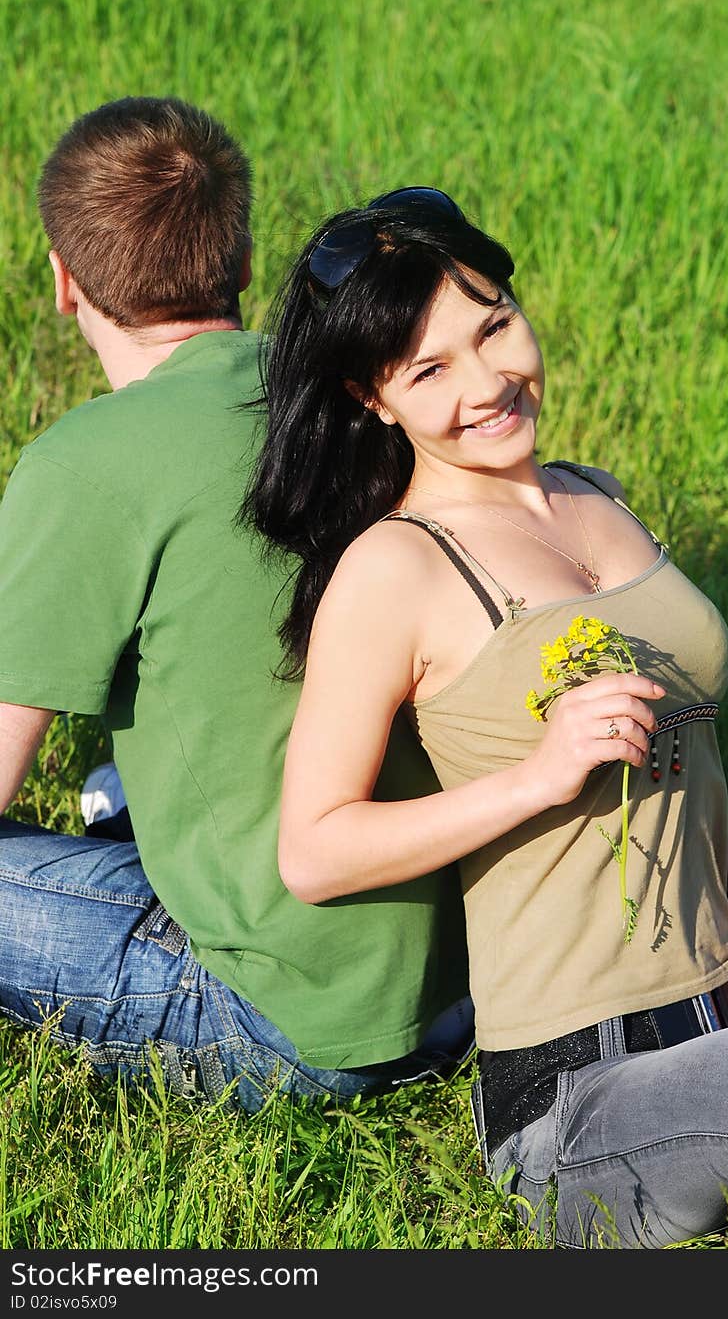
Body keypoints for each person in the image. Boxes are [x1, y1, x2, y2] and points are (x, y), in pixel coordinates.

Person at [242, 185, 728, 1248]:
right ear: (371, 395)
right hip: (580, 1092)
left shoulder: (597, 495)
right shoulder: (393, 567)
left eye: (494, 325)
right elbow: (314, 848)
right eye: (430, 368)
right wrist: (535, 777)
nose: (489, 381)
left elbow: (668, 761)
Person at [0, 102, 473, 1114]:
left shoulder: (86, 463)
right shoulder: (356, 390)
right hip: (466, 974)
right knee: (115, 773)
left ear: (62, 280)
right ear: (245, 256)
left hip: (288, 1017)